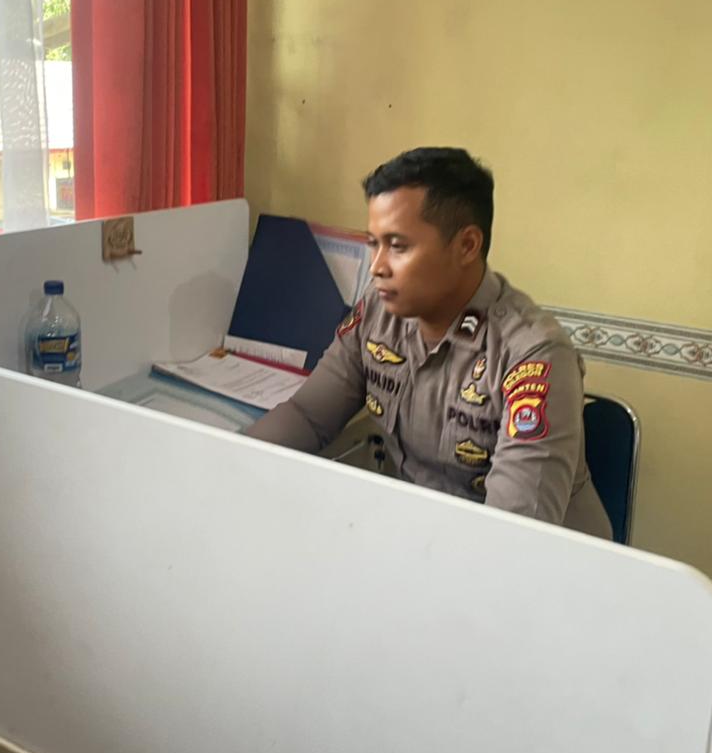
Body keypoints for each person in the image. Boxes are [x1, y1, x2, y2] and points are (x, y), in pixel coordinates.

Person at [245, 147, 612, 538]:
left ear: (467, 246)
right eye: (374, 243)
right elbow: (307, 415)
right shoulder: (378, 312)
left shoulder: (533, 355)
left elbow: (514, 537)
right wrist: (228, 463)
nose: (377, 267)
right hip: (426, 537)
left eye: (398, 246)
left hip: (536, 563)